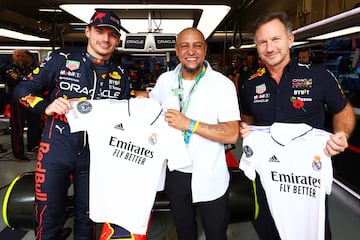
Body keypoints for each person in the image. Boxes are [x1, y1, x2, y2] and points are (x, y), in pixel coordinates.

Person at [14, 10, 132, 239]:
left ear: (118, 40)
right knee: (49, 215)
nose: (105, 39)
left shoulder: (121, 74)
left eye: (112, 35)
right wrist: (44, 106)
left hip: (97, 156)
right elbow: (22, 90)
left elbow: (124, 117)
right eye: (99, 31)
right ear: (88, 31)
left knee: (88, 217)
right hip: (56, 148)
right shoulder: (62, 59)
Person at [239, 12, 355, 240]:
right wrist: (245, 131)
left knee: (312, 231)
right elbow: (247, 119)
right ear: (257, 46)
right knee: (269, 231)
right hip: (268, 179)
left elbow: (344, 111)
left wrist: (341, 134)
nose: (269, 47)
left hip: (306, 179)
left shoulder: (319, 76)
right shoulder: (249, 85)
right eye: (263, 42)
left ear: (290, 40)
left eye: (276, 39)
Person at [139, 27, 240, 240]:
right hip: (177, 172)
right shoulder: (166, 81)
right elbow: (150, 103)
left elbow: (232, 134)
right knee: (184, 231)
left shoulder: (222, 85)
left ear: (204, 50)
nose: (191, 51)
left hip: (210, 171)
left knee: (215, 234)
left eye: (197, 45)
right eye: (184, 46)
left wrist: (190, 124)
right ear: (177, 50)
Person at [1, 49, 41, 161]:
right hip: (17, 101)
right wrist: (34, 78)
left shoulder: (33, 68)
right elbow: (19, 81)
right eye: (17, 56)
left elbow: (42, 79)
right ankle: (18, 153)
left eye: (22, 56)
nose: (19, 58)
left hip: (33, 99)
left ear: (29, 57)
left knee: (35, 124)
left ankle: (32, 146)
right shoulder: (9, 69)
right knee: (17, 127)